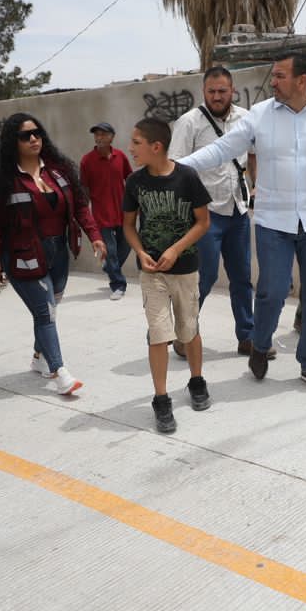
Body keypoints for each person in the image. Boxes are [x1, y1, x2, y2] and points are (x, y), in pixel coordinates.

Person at [179, 52, 306, 392]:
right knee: (271, 292)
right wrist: (176, 166)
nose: (272, 82)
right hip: (273, 221)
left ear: (301, 81)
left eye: (279, 76)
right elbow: (220, 150)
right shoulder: (259, 116)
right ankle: (260, 345)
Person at [0, 113, 106, 396]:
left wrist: (96, 237)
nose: (33, 139)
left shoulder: (59, 171)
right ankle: (60, 372)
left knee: (49, 309)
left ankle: (39, 357)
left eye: (37, 133)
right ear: (12, 142)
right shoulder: (1, 182)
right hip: (23, 257)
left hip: (59, 254)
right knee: (46, 312)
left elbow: (79, 207)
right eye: (25, 135)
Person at [123, 118, 213, 433]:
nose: (131, 148)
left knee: (188, 330)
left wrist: (175, 249)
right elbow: (128, 226)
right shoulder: (134, 183)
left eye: (136, 143)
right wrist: (141, 252)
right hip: (152, 274)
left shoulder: (187, 177)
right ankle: (161, 399)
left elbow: (203, 222)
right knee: (158, 333)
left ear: (155, 147)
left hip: (185, 270)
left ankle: (196, 380)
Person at [169, 65, 258, 357]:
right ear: (203, 92)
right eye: (212, 91)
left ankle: (248, 336)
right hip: (204, 215)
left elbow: (254, 154)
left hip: (238, 210)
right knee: (202, 279)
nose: (217, 96)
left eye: (223, 91)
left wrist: (256, 186)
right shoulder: (189, 122)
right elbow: (175, 168)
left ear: (232, 90)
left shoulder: (246, 118)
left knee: (242, 278)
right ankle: (184, 335)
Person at [80, 121, 133, 300]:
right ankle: (118, 284)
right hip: (101, 215)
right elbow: (84, 188)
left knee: (126, 246)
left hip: (123, 212)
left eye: (103, 134)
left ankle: (109, 267)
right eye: (97, 135)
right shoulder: (87, 160)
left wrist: (135, 204)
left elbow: (130, 179)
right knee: (109, 251)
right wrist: (84, 213)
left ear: (112, 137)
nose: (99, 137)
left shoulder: (121, 156)